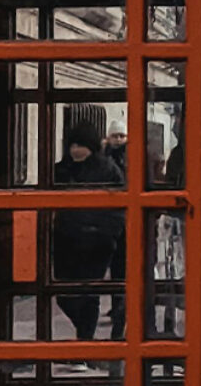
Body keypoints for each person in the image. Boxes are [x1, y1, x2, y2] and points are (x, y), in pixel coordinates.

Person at [52, 122, 125, 341]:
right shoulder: (60, 169)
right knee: (63, 295)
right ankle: (85, 342)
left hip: (97, 242)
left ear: (91, 146)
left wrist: (107, 233)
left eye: (81, 145)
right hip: (66, 240)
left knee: (89, 294)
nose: (75, 149)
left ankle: (84, 344)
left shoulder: (108, 169)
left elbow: (118, 207)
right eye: (72, 144)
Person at [104, 119, 128, 340]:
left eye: (122, 136)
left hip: (128, 222)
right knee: (115, 269)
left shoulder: (133, 157)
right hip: (110, 224)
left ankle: (123, 307)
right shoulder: (103, 160)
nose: (119, 139)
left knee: (125, 268)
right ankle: (117, 306)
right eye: (115, 136)